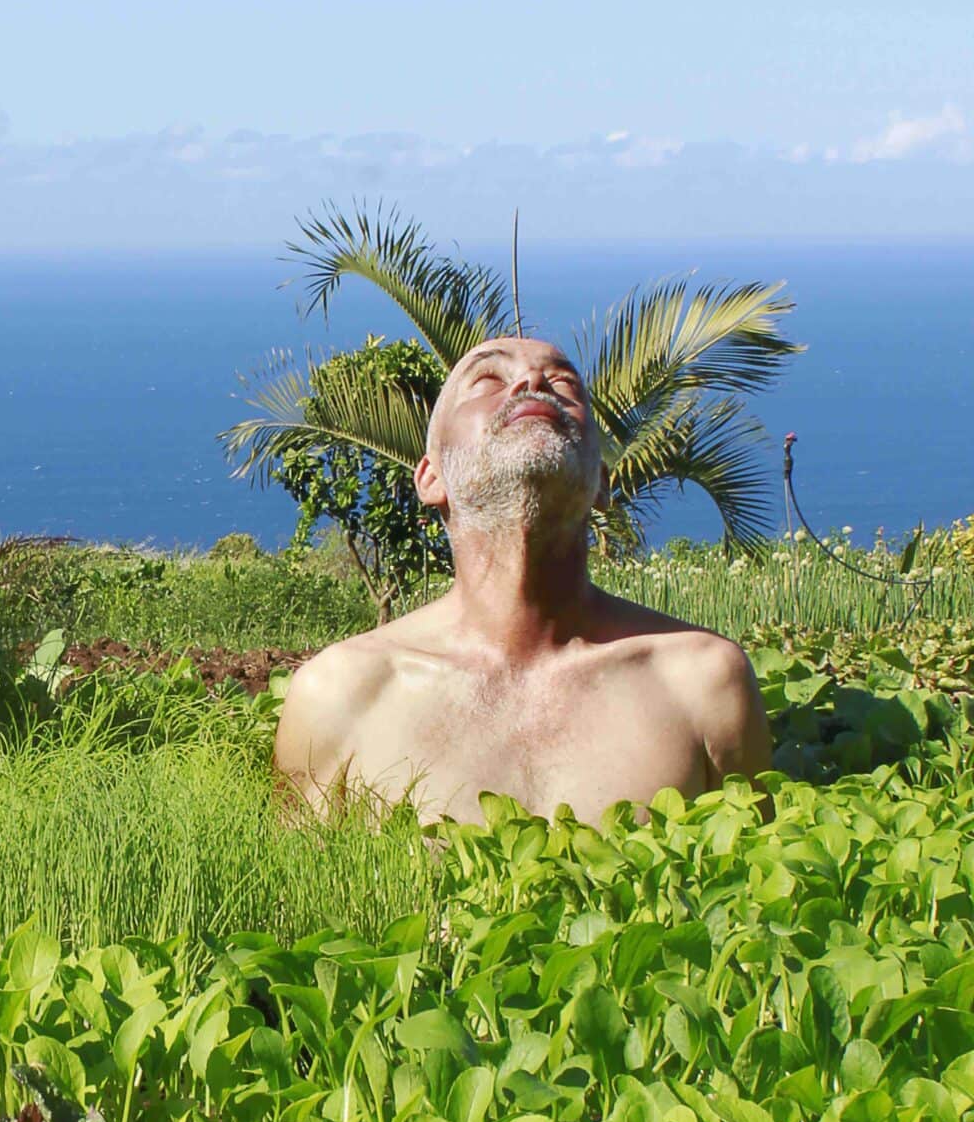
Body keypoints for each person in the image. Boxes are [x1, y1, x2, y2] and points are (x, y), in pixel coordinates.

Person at [273, 334, 769, 825]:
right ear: (431, 478)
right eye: (488, 379)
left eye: (564, 384)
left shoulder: (704, 681)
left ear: (601, 481)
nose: (533, 382)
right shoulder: (340, 694)